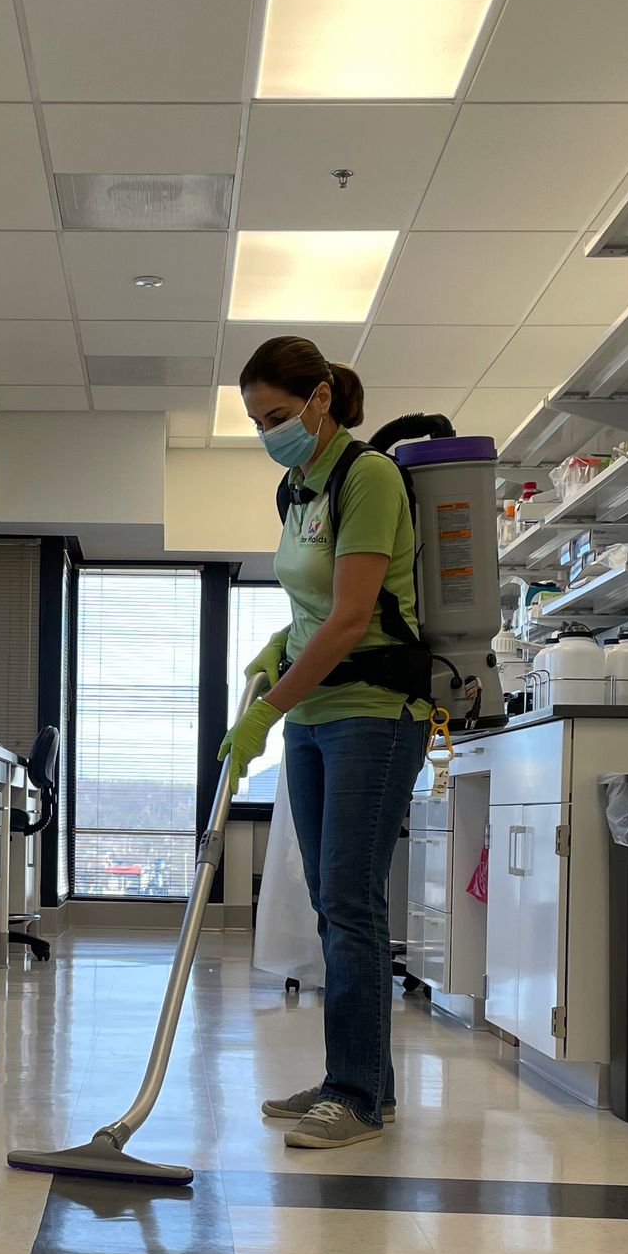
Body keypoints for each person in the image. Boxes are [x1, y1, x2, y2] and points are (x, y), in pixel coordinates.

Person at [218, 336, 431, 1150]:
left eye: (276, 415)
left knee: (350, 901)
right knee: (329, 902)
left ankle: (356, 1098)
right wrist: (277, 649)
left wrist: (263, 709)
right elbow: (313, 609)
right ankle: (361, 1075)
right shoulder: (296, 489)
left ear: (321, 400)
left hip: (373, 713)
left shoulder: (368, 476)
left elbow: (351, 618)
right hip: (314, 720)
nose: (267, 431)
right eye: (255, 420)